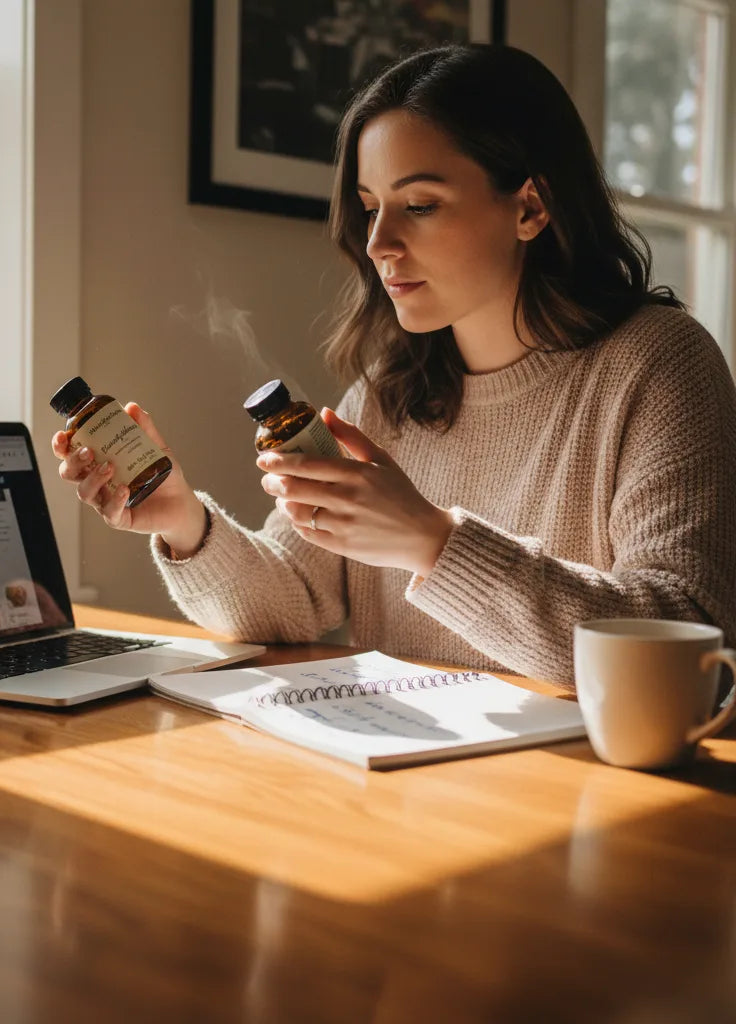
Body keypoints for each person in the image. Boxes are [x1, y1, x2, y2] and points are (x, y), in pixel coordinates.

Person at [53, 44, 736, 685]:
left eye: (418, 205)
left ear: (531, 206)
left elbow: (683, 631)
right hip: (400, 784)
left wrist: (434, 543)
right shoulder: (387, 393)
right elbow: (290, 603)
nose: (379, 243)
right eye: (371, 207)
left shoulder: (658, 364)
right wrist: (181, 522)